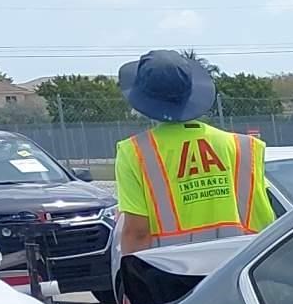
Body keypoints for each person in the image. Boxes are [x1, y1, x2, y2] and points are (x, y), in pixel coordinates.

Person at [113, 49, 273, 255]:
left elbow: (137, 233)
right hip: (238, 269)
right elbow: (265, 217)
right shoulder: (245, 148)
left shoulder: (134, 153)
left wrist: (132, 281)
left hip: (171, 273)